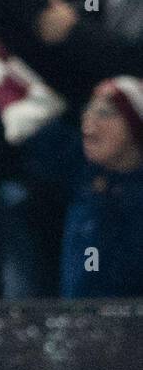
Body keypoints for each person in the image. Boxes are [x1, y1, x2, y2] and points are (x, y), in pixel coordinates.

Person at [60, 77, 143, 297]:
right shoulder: (86, 180)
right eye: (88, 110)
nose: (89, 120)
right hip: (78, 323)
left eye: (105, 113)